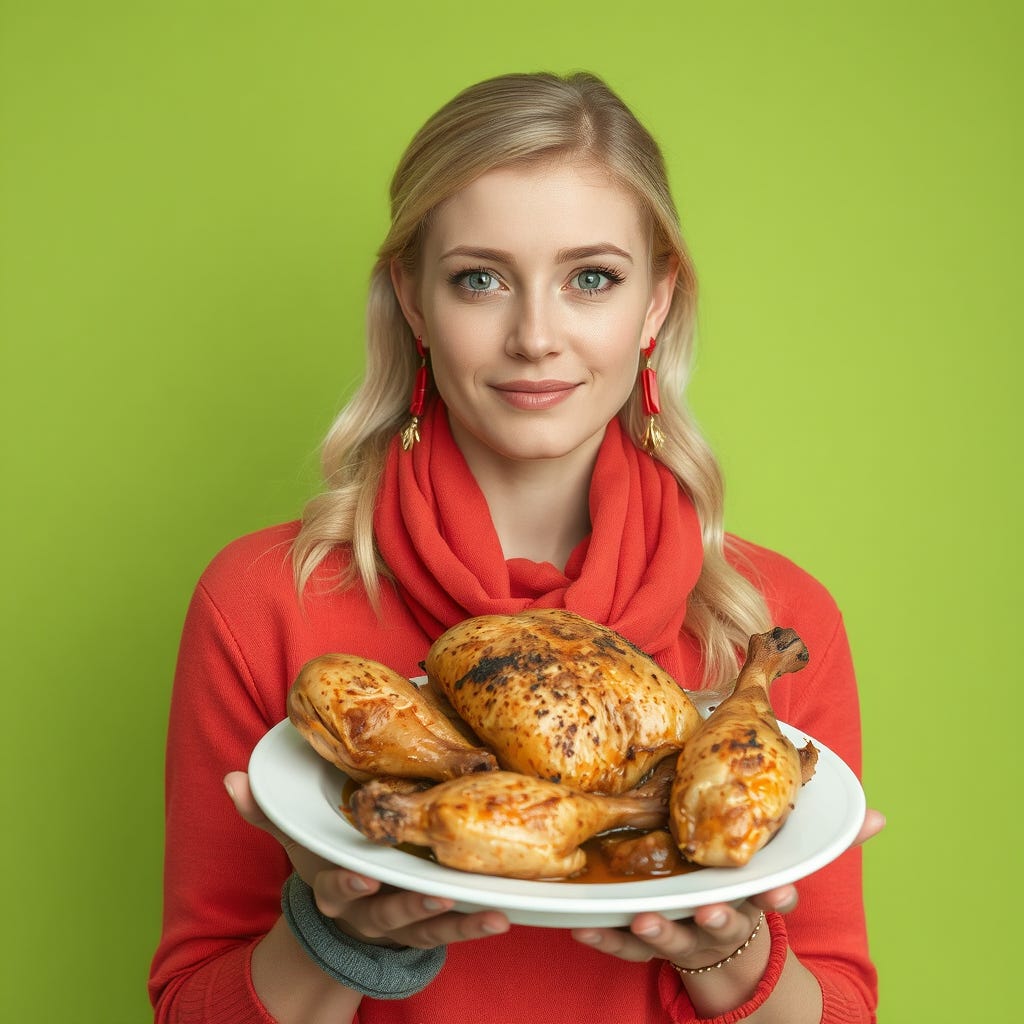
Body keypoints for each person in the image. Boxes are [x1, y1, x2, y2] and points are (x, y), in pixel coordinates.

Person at [149, 71, 882, 1023]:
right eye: (479, 279)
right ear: (413, 303)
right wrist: (342, 939)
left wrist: (729, 953)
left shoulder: (768, 621)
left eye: (592, 278)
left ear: (656, 304)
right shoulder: (263, 601)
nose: (536, 336)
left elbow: (843, 1008)